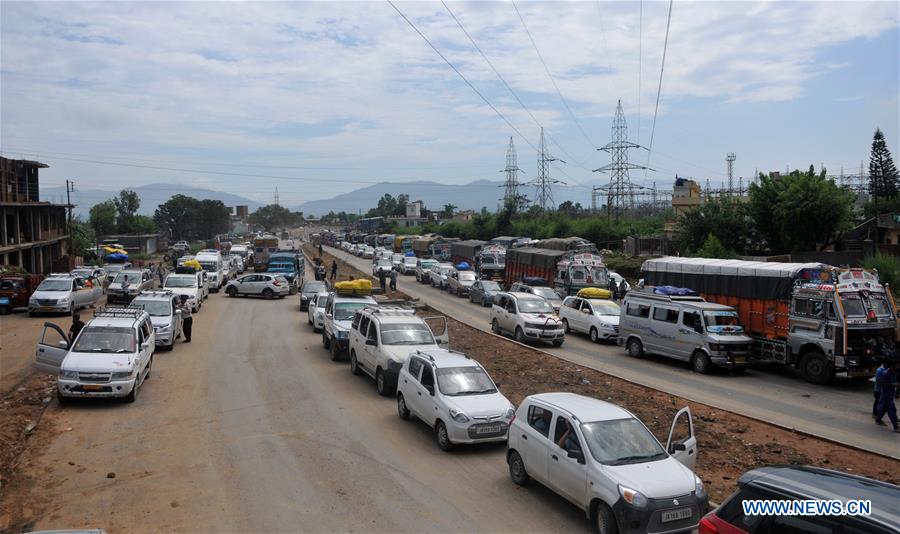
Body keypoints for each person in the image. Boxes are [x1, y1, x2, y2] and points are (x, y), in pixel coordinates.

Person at [874, 360, 899, 432]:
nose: (898, 366)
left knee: (884, 409)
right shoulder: (886, 373)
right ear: (892, 366)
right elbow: (882, 384)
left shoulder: (894, 373)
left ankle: (878, 419)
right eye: (897, 365)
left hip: (890, 394)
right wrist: (893, 384)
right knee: (892, 410)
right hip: (886, 395)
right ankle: (895, 427)